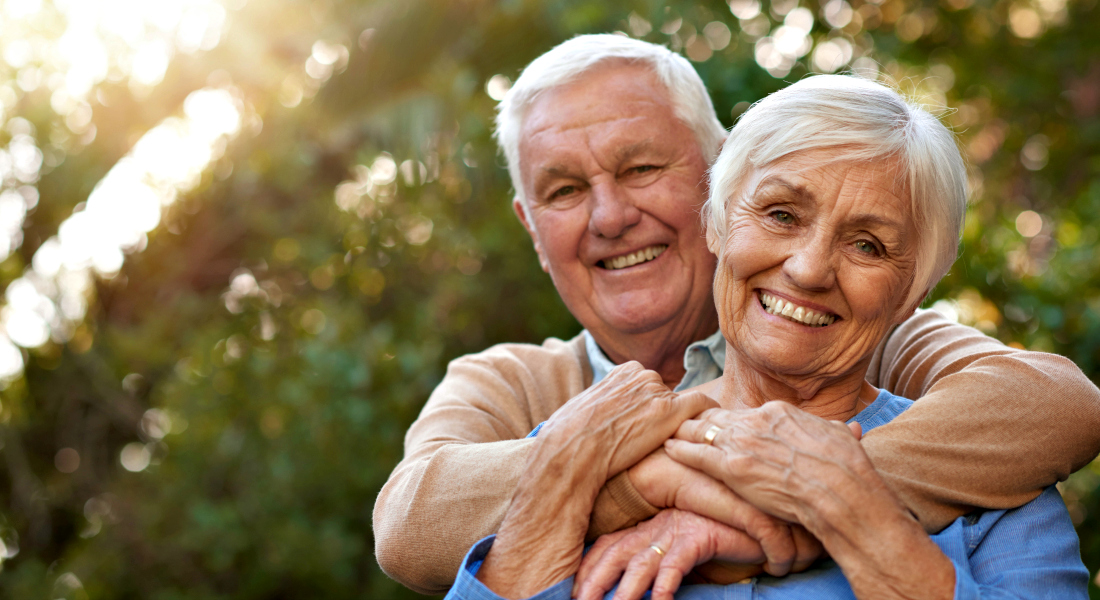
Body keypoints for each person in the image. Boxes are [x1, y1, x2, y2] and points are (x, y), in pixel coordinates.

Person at [372, 35, 1100, 595]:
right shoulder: (517, 392)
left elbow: (1056, 403)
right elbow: (408, 524)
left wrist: (822, 495)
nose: (611, 216)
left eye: (641, 168)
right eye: (563, 191)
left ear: (713, 178)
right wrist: (626, 482)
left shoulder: (887, 342)